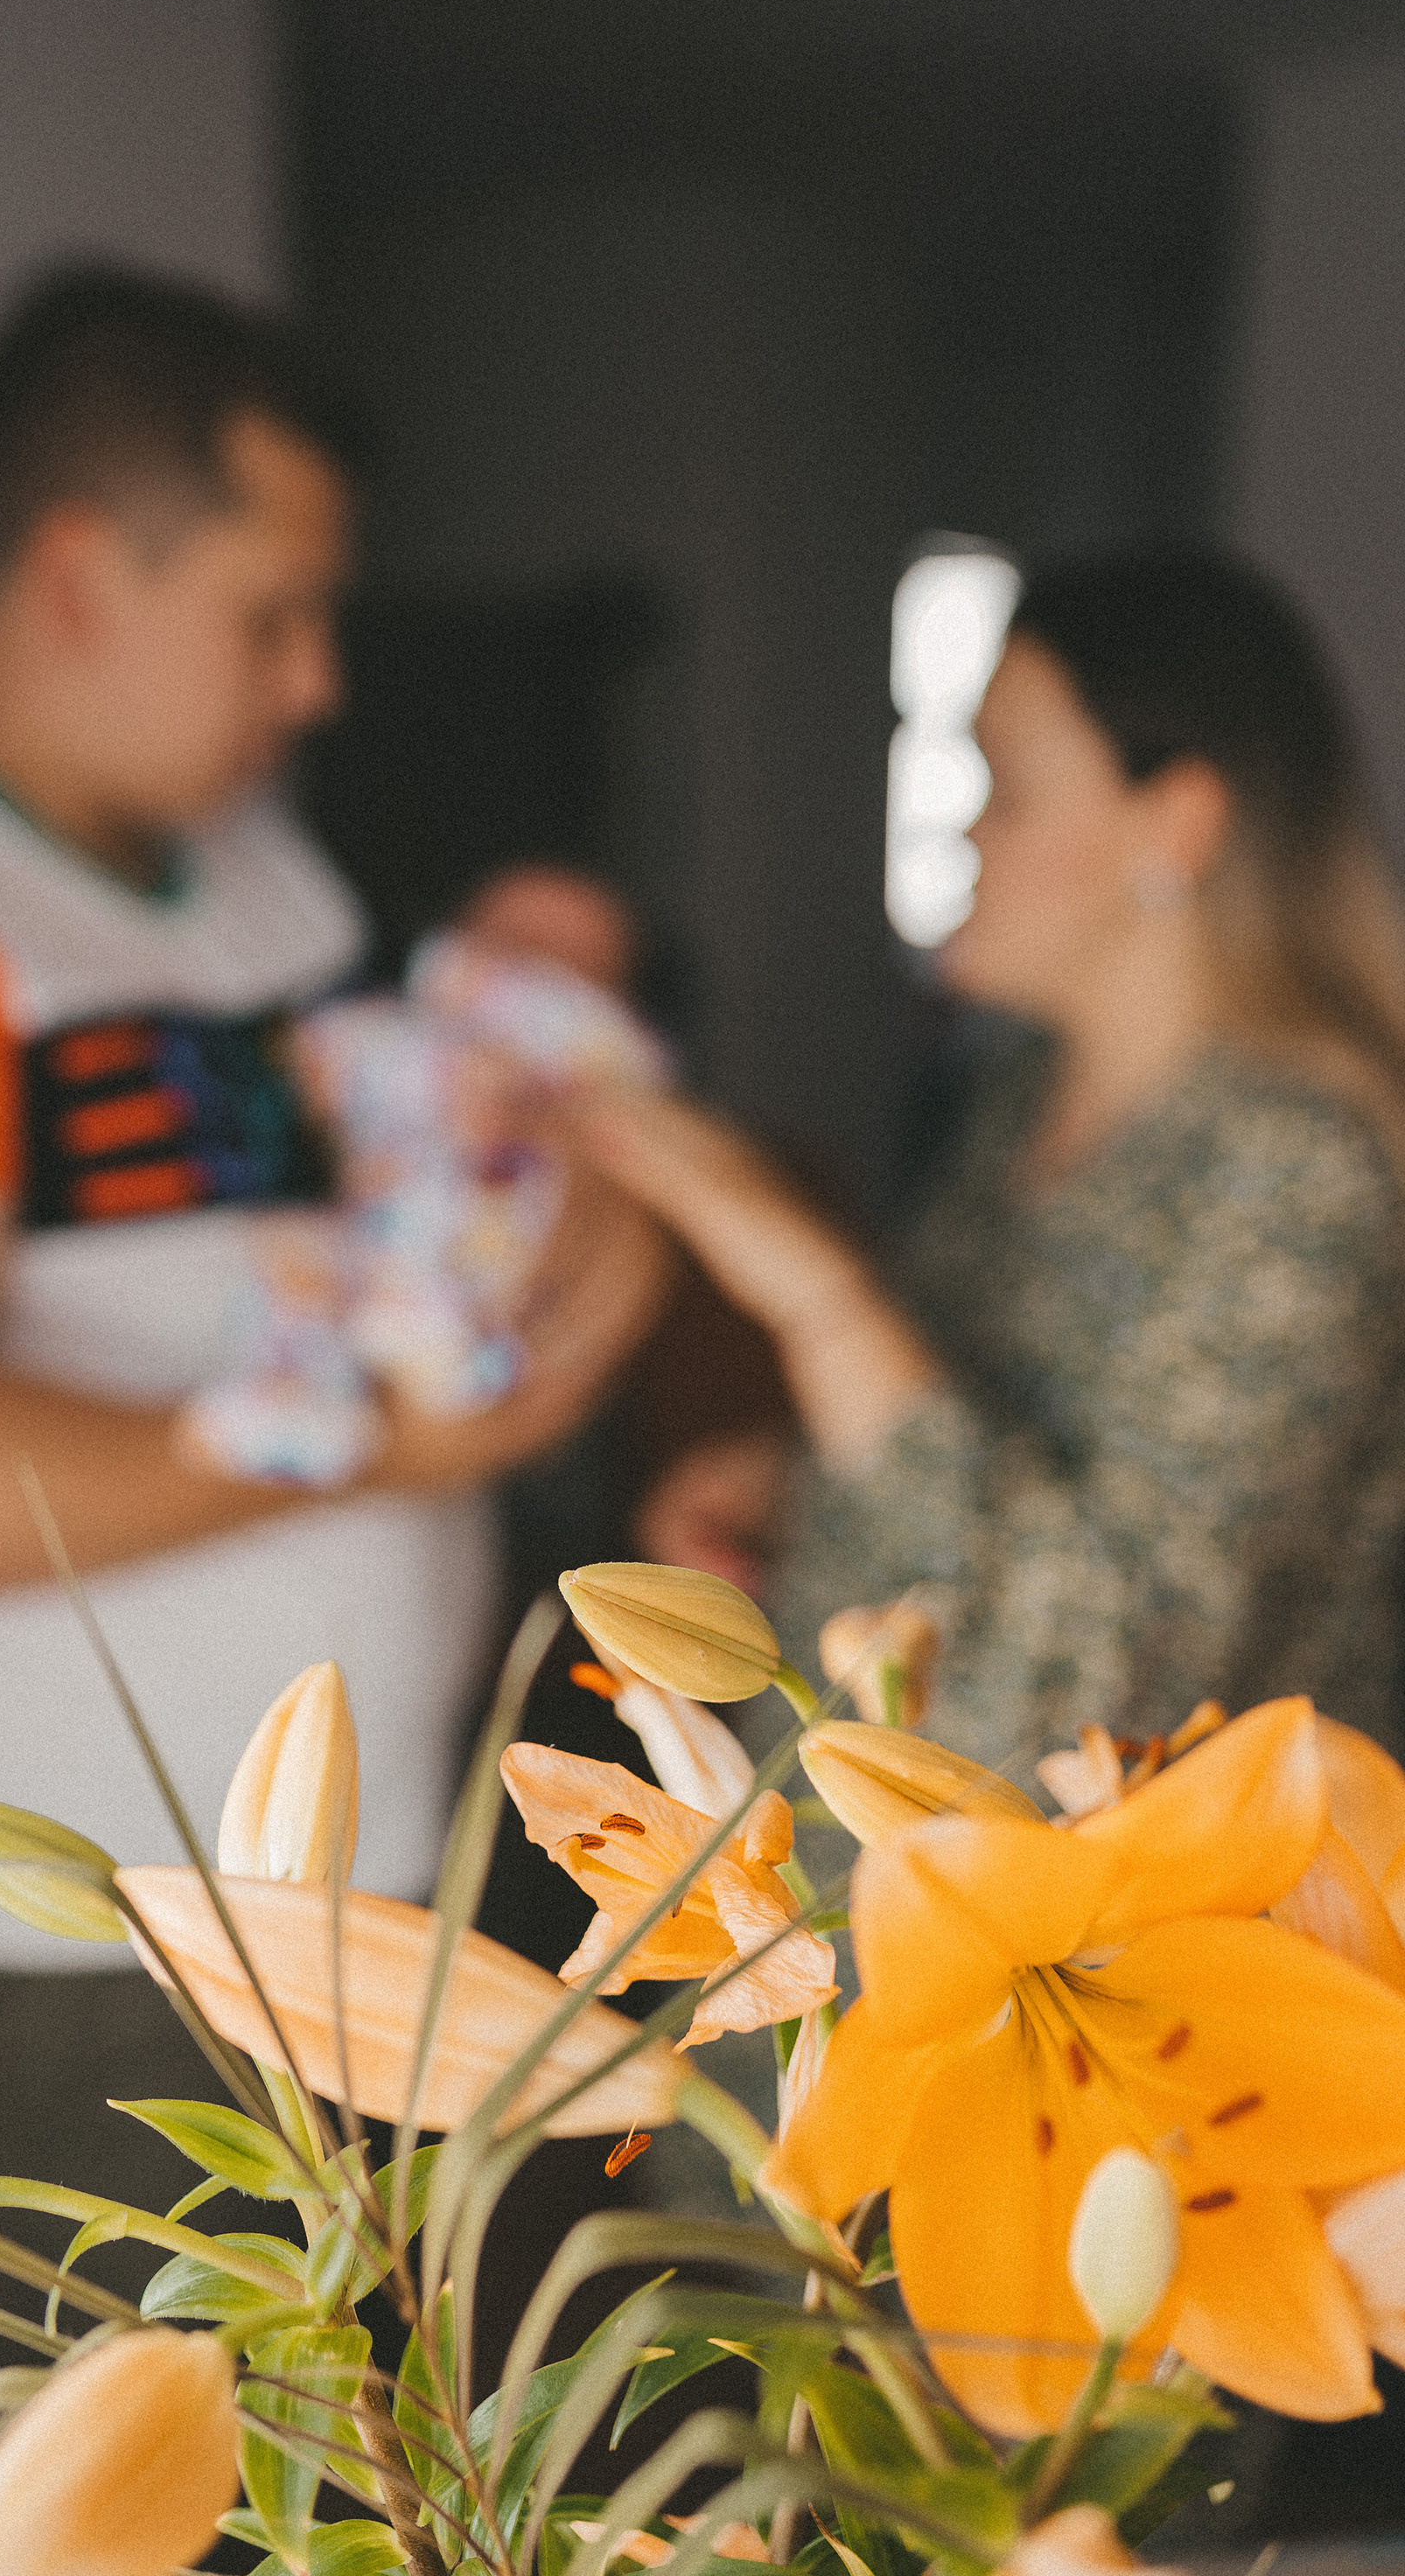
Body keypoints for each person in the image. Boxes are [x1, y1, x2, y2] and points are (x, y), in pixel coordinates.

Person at [0, 262, 666, 2243]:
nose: (317, 683)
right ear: (77, 575)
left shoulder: (258, 880)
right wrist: (384, 1454)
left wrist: (582, 1242)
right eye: (270, 614)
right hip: (88, 1958)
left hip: (360, 1889)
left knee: (415, 2430)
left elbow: (400, 1196)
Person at [584, 545, 1405, 1771]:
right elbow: (971, 1445)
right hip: (869, 1851)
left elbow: (1111, 1675)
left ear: (1175, 822)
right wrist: (807, 1486)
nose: (964, 827)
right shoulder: (1019, 1094)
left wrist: (819, 1296)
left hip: (1104, 1894)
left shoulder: (1299, 1174)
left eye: (1004, 788)